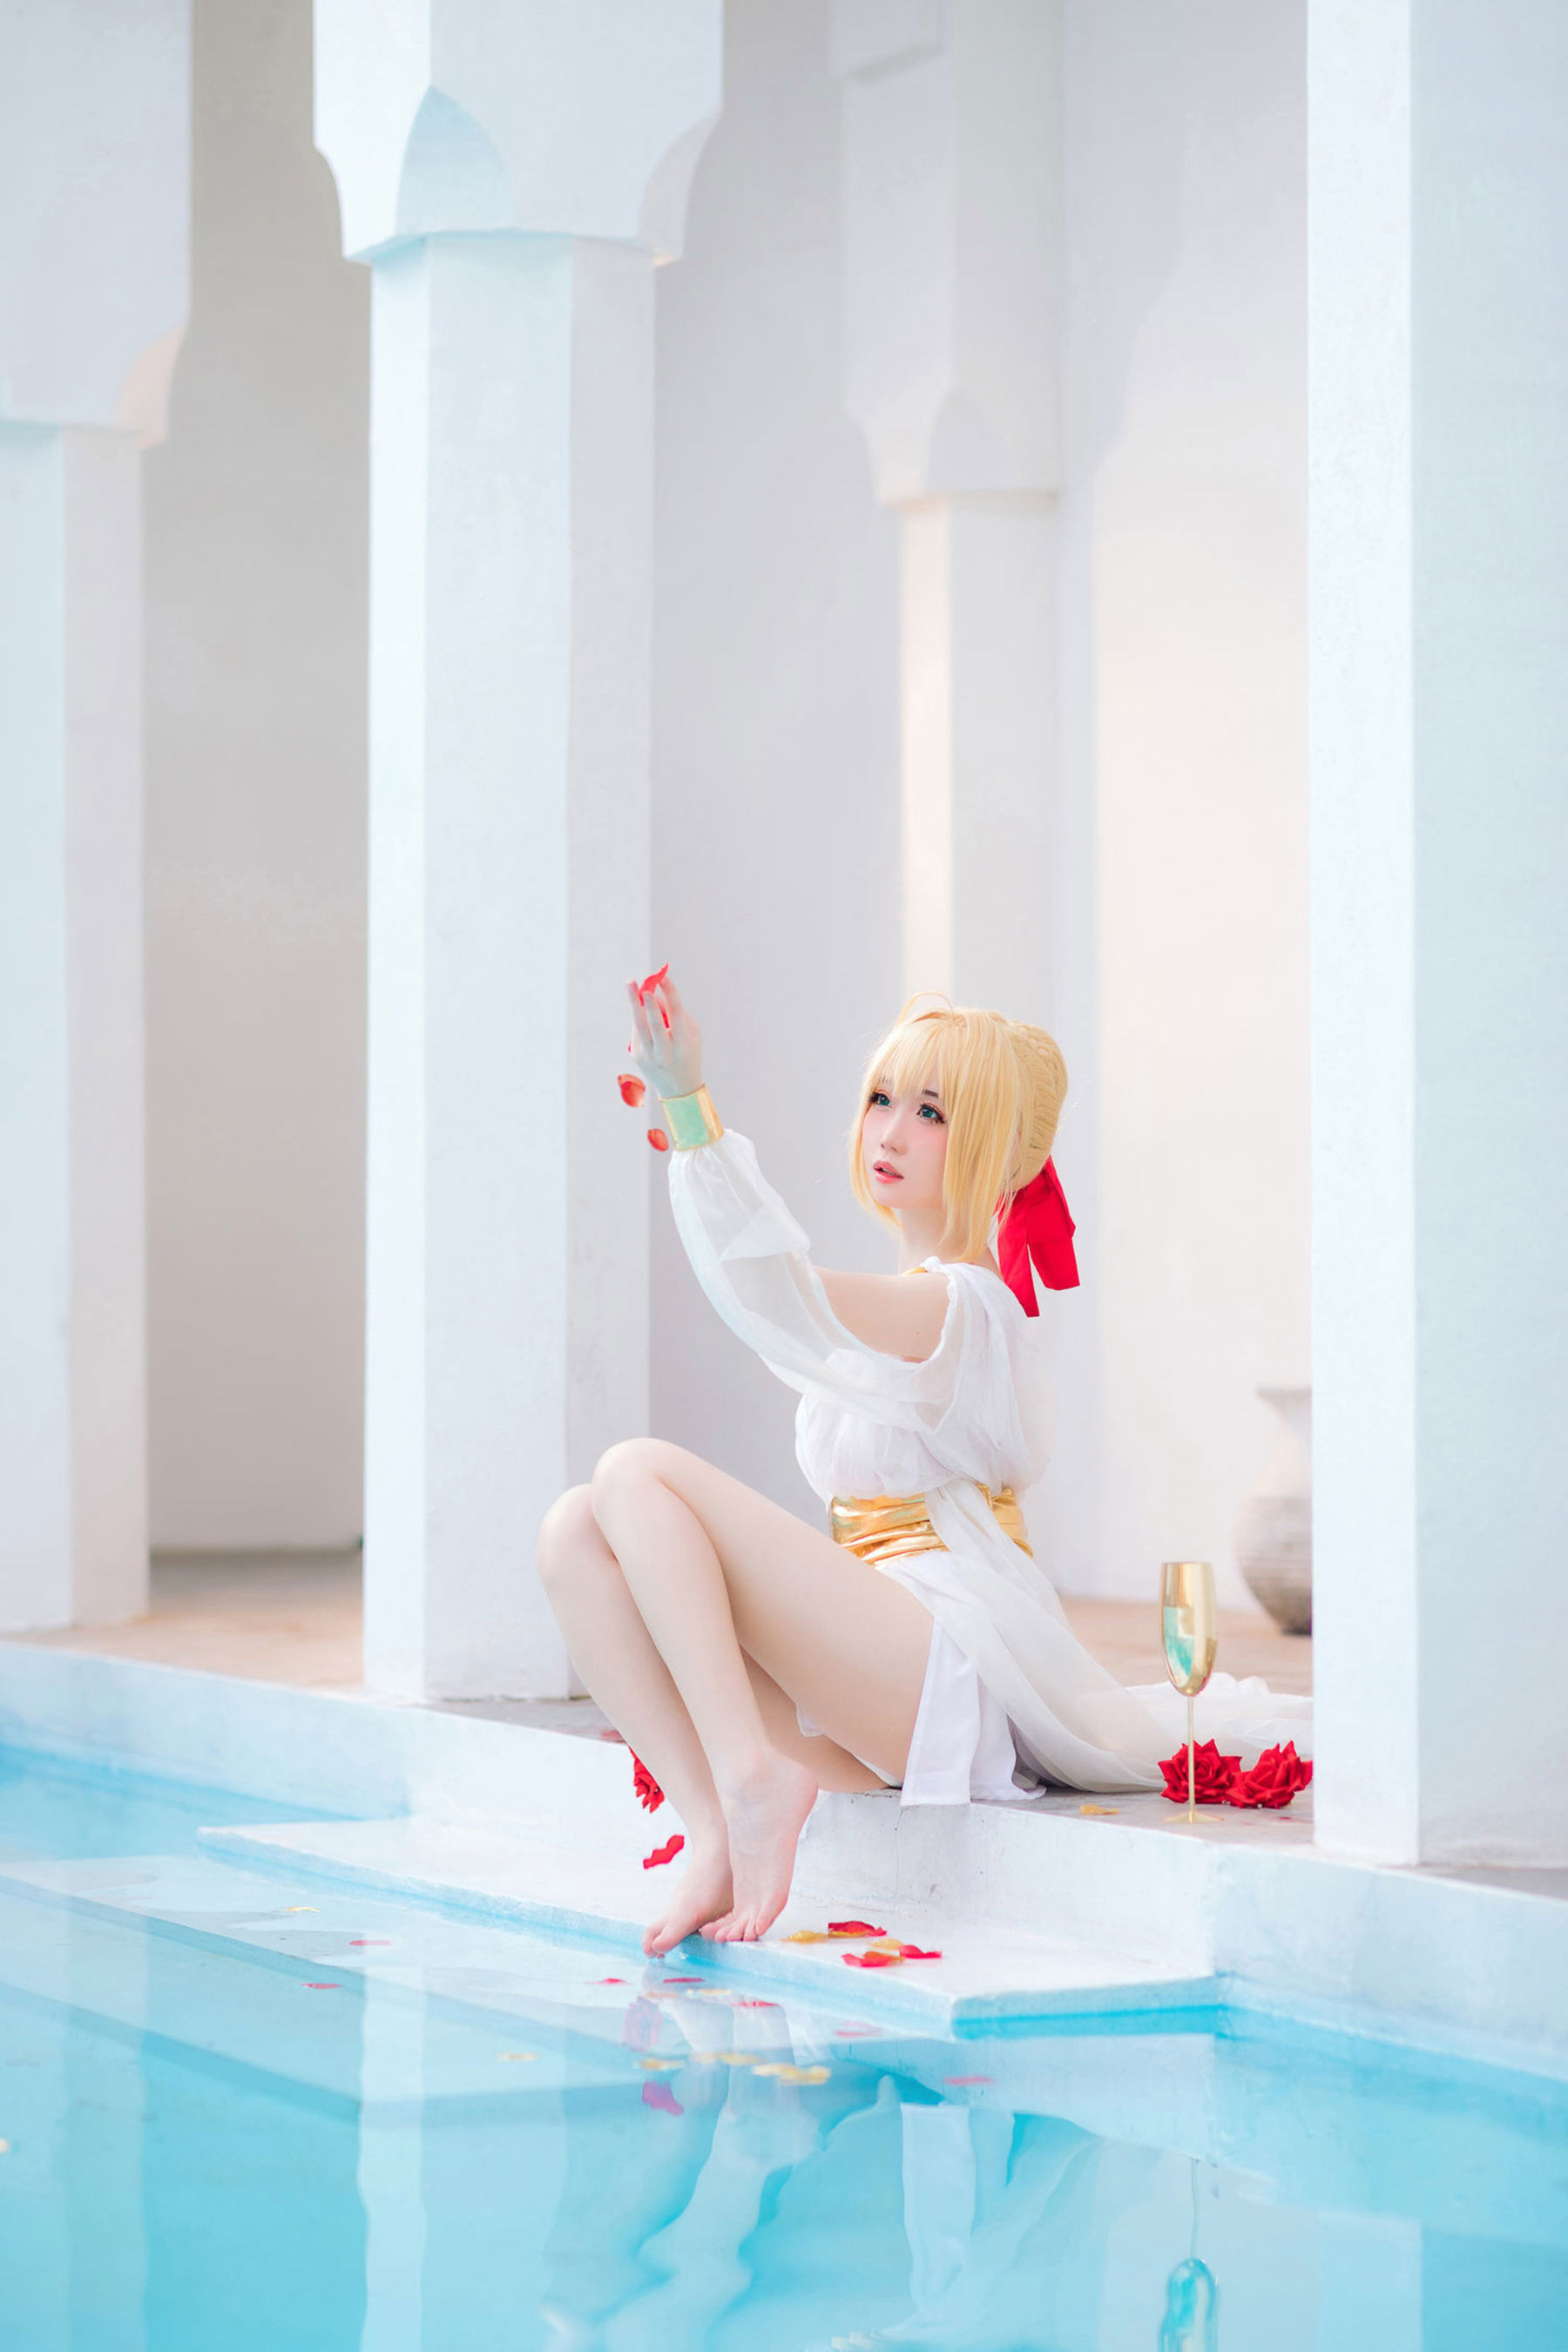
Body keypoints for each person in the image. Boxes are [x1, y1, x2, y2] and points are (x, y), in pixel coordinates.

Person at [537, 973, 1309, 1957]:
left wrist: (691, 1107)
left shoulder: (961, 1305)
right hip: (866, 1671)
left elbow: (775, 1293)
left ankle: (750, 1779)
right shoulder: (894, 1307)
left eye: (933, 1112)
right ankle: (717, 1821)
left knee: (633, 1472)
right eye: (881, 1099)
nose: (892, 1132)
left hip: (941, 1664)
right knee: (572, 1531)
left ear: (990, 1146)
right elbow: (783, 1304)